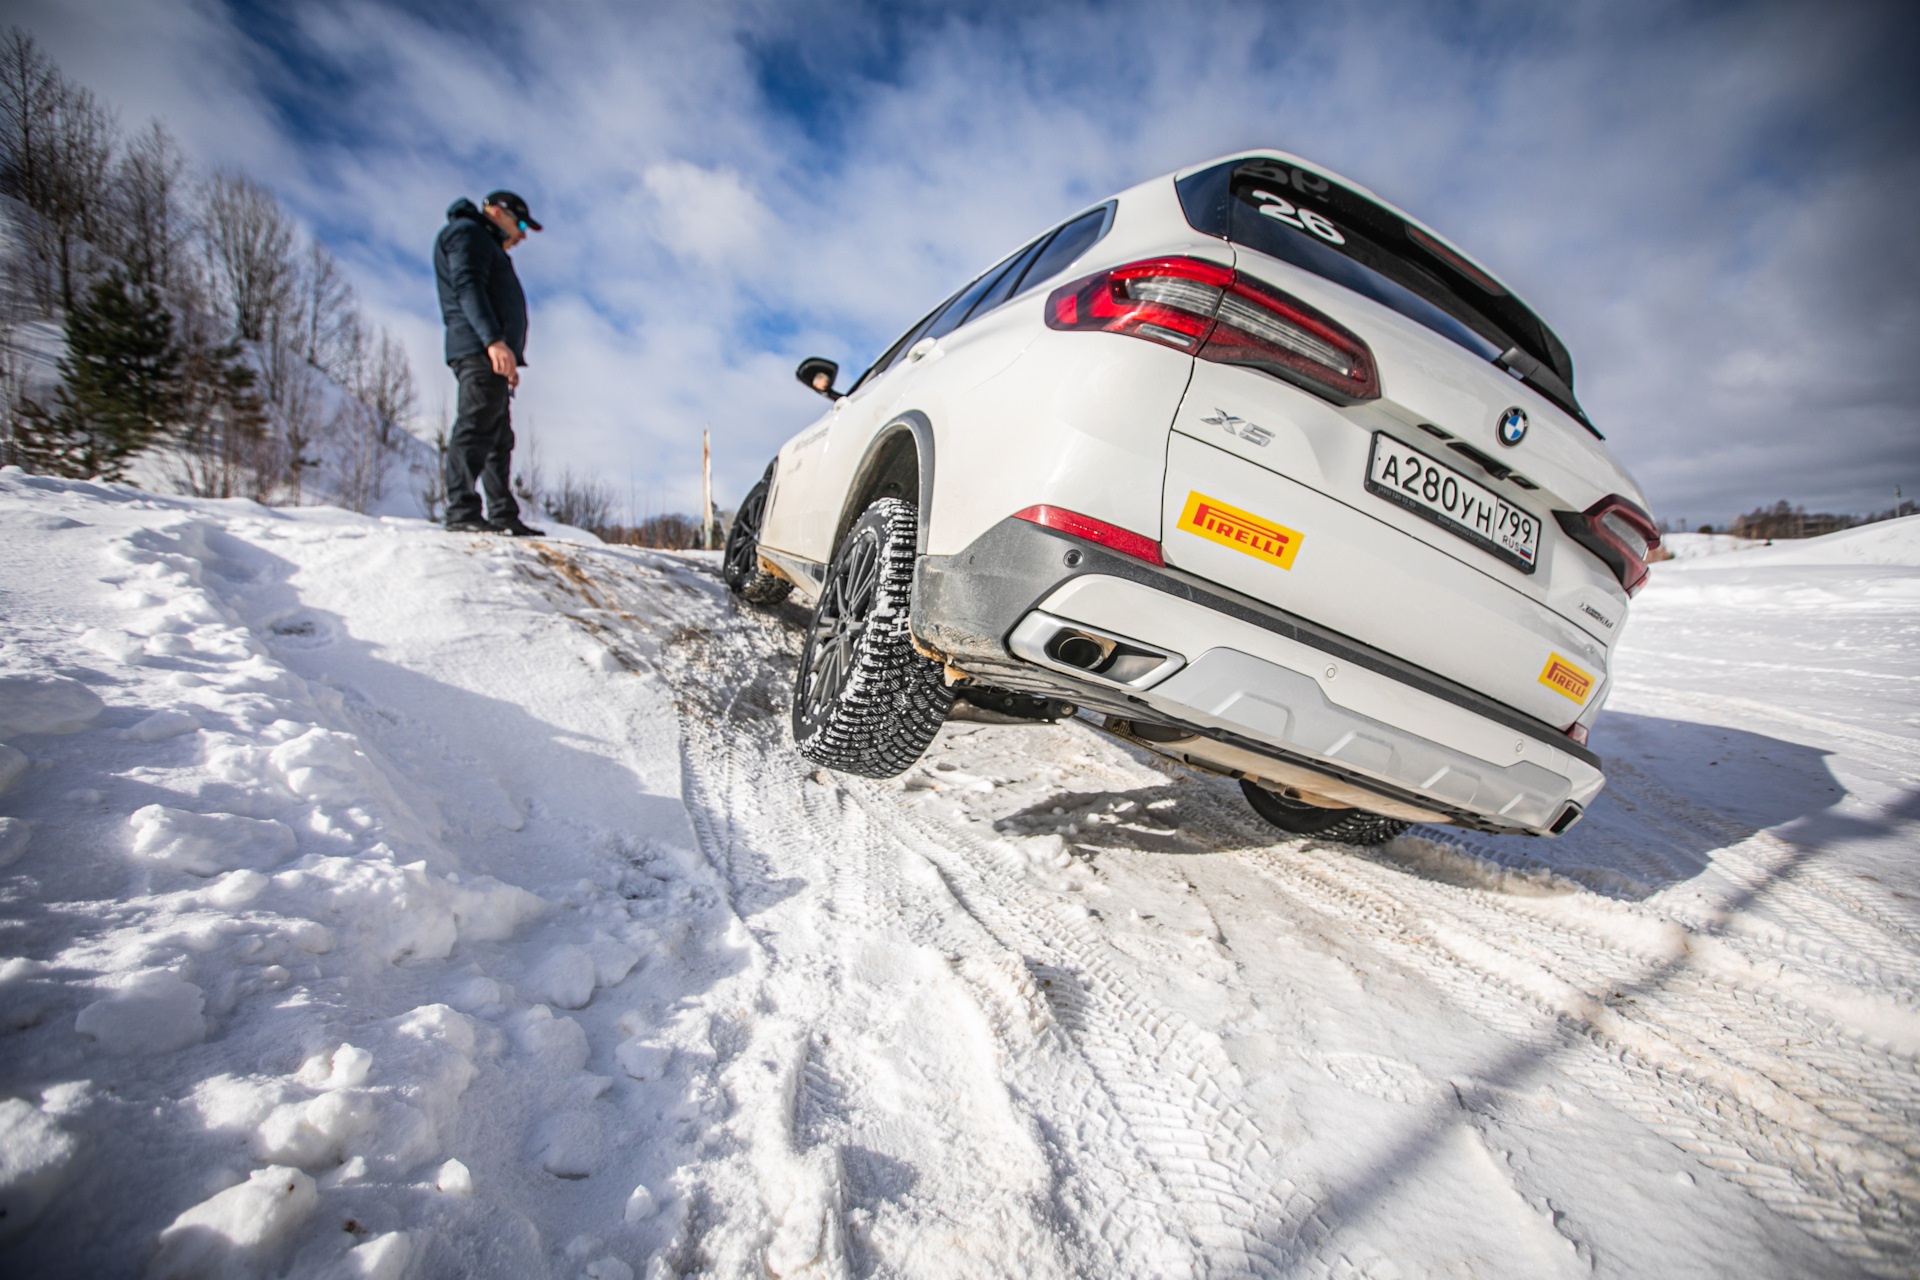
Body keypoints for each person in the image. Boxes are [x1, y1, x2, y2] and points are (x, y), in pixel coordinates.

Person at [434, 190, 545, 535]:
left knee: (498, 436)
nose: (522, 234)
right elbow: (468, 287)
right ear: (497, 211)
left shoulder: (485, 241)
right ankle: (462, 511)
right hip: (481, 349)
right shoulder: (468, 233)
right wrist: (493, 342)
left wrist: (506, 352)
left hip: (494, 353)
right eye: (521, 223)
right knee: (476, 425)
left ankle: (502, 514)